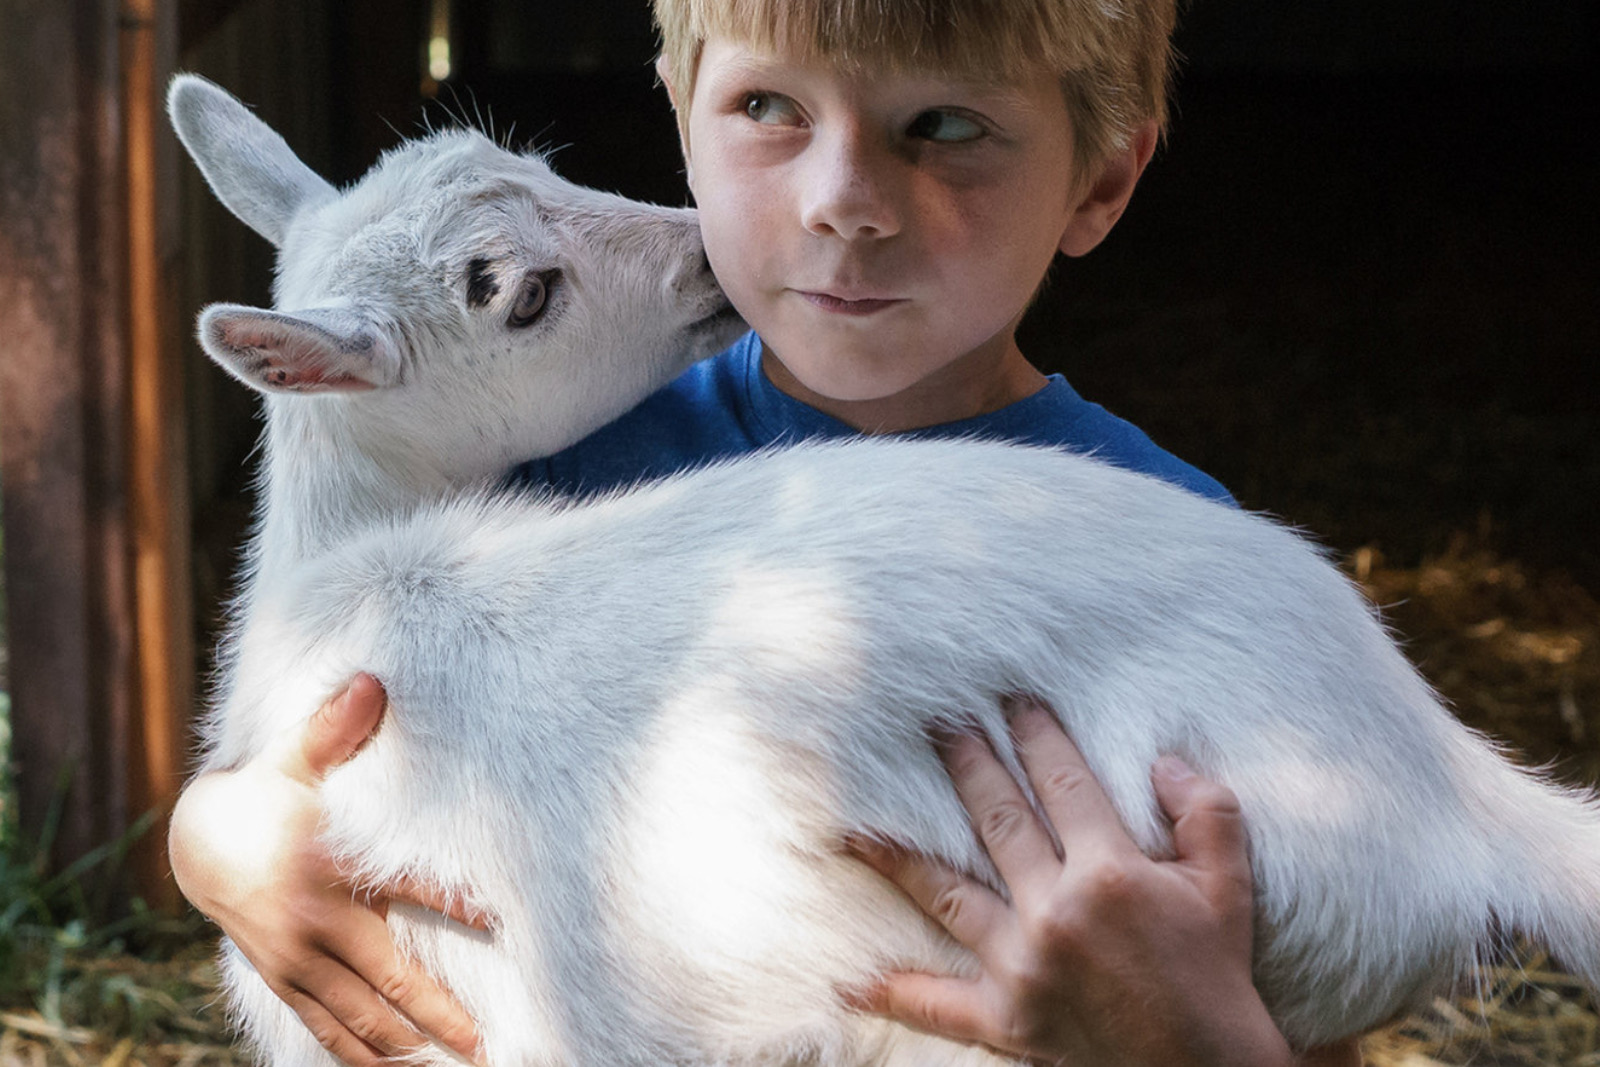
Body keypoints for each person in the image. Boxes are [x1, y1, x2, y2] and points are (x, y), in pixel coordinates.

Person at [168, 0, 1366, 1064]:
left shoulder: (1181, 561)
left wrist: (1187, 1040)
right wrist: (217, 839)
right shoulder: (546, 488)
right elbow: (353, 746)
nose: (842, 201)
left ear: (1099, 183)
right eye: (767, 105)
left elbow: (1325, 975)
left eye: (942, 125)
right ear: (683, 120)